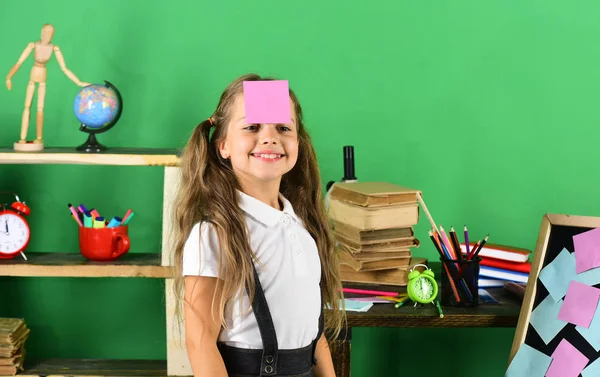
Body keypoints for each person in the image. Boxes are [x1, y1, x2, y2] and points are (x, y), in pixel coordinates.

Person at [171, 73, 346, 377]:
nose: (269, 137)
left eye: (283, 128)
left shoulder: (303, 229)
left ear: (298, 142)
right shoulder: (212, 235)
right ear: (222, 145)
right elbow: (200, 344)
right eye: (252, 127)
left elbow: (315, 339)